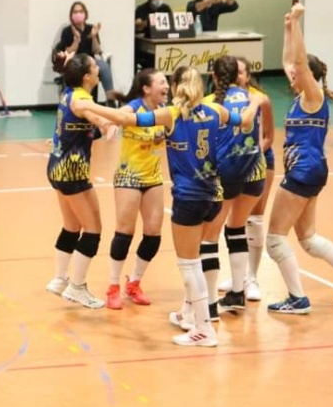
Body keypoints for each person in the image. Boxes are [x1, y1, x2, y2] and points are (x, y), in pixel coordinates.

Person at [83, 66, 263, 347]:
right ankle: (188, 314)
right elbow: (247, 120)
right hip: (214, 195)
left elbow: (125, 118)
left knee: (189, 265)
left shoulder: (173, 114)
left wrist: (90, 106)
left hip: (189, 197)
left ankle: (203, 328)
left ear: (178, 86)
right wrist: (256, 100)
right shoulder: (216, 110)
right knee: (199, 257)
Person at [263, 4, 333, 313]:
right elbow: (290, 60)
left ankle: (297, 298)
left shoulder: (313, 97)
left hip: (303, 170)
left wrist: (298, 23)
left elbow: (298, 61)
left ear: (308, 75)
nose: (291, 74)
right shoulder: (301, 96)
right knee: (308, 239)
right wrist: (287, 27)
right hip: (312, 170)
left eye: (297, 73)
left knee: (275, 239)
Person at [45, 53, 118, 309]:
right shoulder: (83, 100)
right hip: (73, 170)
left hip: (57, 166)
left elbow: (83, 128)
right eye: (95, 67)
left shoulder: (69, 92)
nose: (99, 69)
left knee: (71, 226)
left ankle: (59, 280)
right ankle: (76, 288)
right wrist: (110, 124)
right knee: (93, 229)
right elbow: (97, 118)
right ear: (87, 76)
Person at [198, 56, 266, 315]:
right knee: (236, 228)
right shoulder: (253, 96)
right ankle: (237, 293)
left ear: (214, 77)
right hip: (255, 170)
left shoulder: (210, 103)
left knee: (209, 236)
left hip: (226, 172)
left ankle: (209, 304)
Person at [104, 69, 168, 310]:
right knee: (125, 232)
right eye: (161, 82)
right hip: (128, 176)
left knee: (153, 234)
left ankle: (134, 282)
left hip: (153, 177)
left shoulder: (164, 111)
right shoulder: (133, 108)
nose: (166, 86)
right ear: (146, 88)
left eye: (167, 82)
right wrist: (110, 124)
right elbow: (117, 116)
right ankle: (113, 287)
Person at [217, 56, 273, 301]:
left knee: (254, 221)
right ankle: (238, 279)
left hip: (258, 162)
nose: (238, 76)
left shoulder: (259, 99)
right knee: (234, 225)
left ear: (248, 76)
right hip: (236, 166)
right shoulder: (220, 100)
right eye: (235, 72)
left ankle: (252, 278)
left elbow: (269, 136)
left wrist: (250, 154)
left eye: (242, 72)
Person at [54, 1, 118, 105]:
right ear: (71, 15)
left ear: (85, 14)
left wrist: (94, 36)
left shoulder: (91, 28)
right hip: (75, 62)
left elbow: (96, 50)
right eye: (75, 12)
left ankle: (111, 100)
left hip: (90, 60)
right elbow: (68, 51)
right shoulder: (67, 31)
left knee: (104, 67)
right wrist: (76, 40)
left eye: (80, 11)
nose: (78, 14)